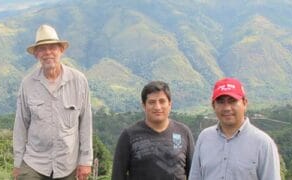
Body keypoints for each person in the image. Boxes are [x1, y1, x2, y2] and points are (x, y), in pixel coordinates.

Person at [13, 24, 93, 180]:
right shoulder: (28, 84)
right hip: (34, 161)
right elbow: (21, 125)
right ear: (36, 54)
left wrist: (85, 161)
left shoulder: (78, 81)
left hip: (67, 163)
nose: (48, 53)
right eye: (42, 49)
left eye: (52, 48)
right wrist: (18, 163)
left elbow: (86, 122)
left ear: (61, 50)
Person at [188, 77, 281, 180]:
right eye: (221, 102)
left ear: (245, 103)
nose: (227, 108)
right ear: (213, 105)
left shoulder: (263, 143)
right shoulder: (204, 138)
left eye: (232, 101)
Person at [112, 81, 195, 180]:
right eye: (152, 102)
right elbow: (118, 175)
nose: (157, 107)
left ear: (170, 104)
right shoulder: (129, 135)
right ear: (144, 105)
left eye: (162, 101)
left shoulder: (184, 132)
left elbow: (194, 173)